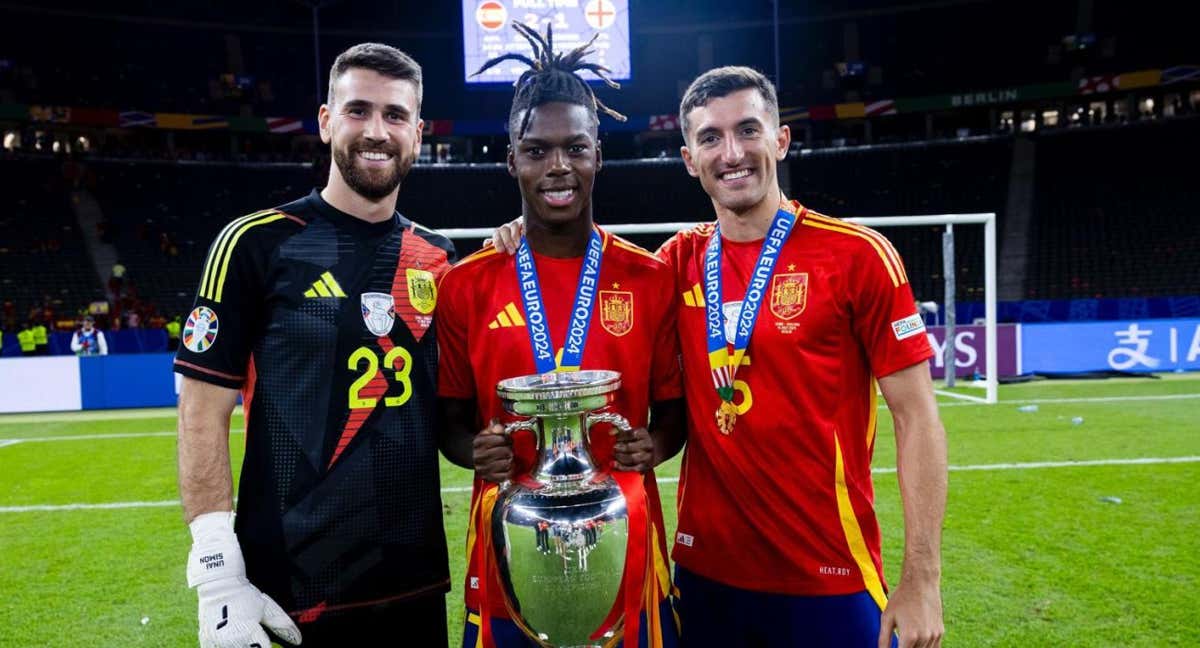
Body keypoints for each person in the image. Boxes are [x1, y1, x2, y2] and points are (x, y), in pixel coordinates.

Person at [494, 66, 947, 648]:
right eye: (710, 137)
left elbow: (919, 419)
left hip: (828, 576)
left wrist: (924, 579)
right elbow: (582, 262)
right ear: (689, 158)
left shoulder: (857, 256)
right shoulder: (675, 263)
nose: (731, 153)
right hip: (705, 578)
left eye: (748, 130)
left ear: (780, 140)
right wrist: (520, 233)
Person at [174, 43, 455, 648]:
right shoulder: (254, 243)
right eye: (358, 110)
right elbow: (201, 410)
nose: (376, 131)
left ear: (418, 132)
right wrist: (218, 574)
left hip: (415, 586)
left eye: (395, 115)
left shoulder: (439, 258)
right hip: (289, 592)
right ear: (327, 121)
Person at [437, 23, 683, 648]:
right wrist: (476, 452)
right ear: (511, 158)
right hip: (509, 551)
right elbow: (449, 421)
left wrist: (652, 444)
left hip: (628, 551)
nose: (558, 167)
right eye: (538, 150)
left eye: (575, 148)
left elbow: (675, 414)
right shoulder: (466, 285)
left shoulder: (648, 278)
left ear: (598, 154)